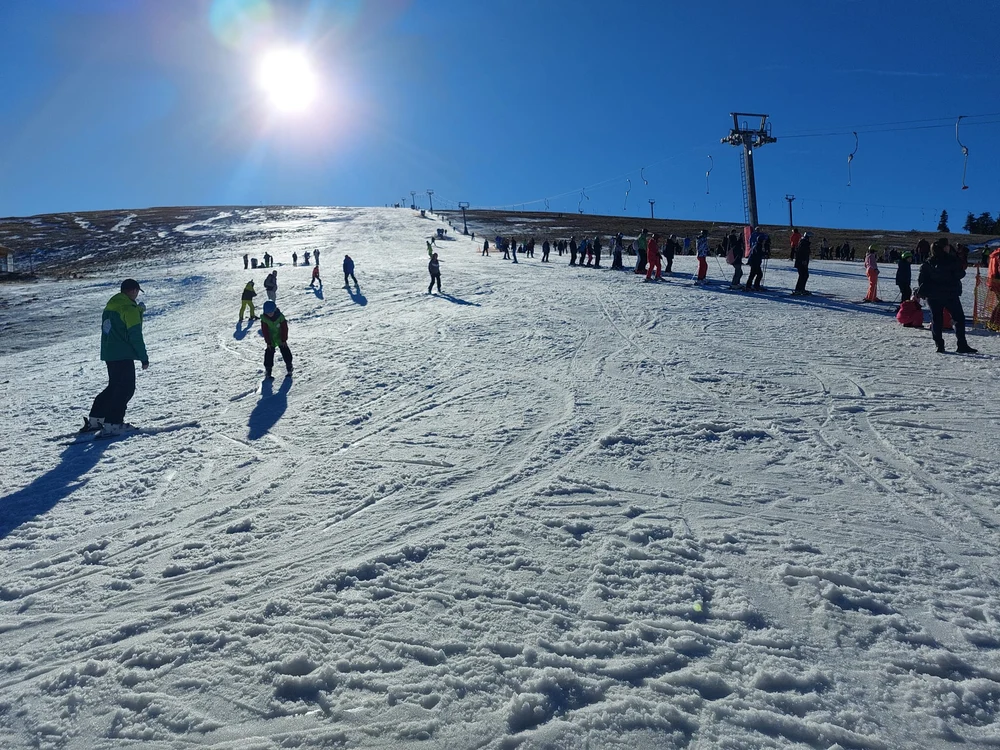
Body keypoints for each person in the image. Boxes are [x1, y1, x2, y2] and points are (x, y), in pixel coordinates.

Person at [83, 279, 149, 437]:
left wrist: (138, 311)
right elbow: (134, 335)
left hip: (109, 353)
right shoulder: (129, 308)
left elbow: (115, 328)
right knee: (126, 389)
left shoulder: (112, 305)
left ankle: (96, 419)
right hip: (122, 354)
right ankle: (114, 423)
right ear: (133, 291)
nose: (137, 295)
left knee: (113, 387)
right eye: (137, 291)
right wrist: (143, 357)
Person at [916, 238, 977, 353]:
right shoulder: (951, 260)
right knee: (958, 319)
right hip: (950, 294)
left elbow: (922, 280)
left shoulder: (928, 262)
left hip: (933, 296)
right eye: (948, 246)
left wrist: (922, 292)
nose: (949, 247)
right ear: (944, 248)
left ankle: (939, 345)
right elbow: (960, 274)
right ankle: (962, 344)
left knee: (936, 319)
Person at [260, 300, 293, 380]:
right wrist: (268, 342)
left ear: (274, 310)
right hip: (271, 338)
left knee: (285, 351)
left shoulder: (280, 317)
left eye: (271, 312)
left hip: (280, 337)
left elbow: (285, 328)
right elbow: (264, 330)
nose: (270, 314)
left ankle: (289, 367)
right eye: (268, 313)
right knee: (269, 353)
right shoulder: (264, 318)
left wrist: (284, 339)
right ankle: (268, 371)